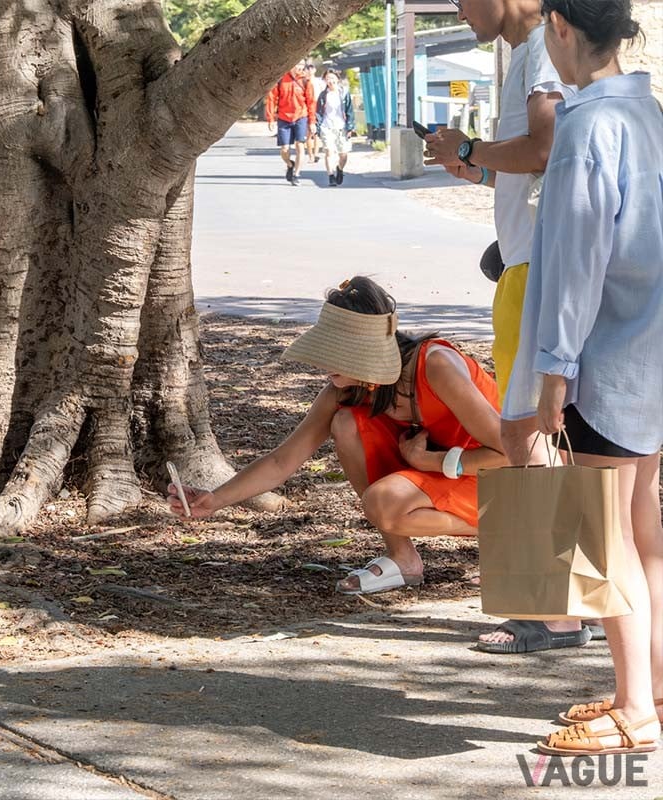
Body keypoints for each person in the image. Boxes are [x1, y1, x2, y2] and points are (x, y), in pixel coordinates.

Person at [500, 0, 662, 757]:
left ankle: (636, 707)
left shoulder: (586, 125)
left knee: (606, 537)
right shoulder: (649, 114)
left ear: (560, 26)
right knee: (641, 529)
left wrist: (553, 379)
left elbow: (572, 266)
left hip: (604, 356)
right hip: (650, 353)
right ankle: (650, 689)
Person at [167, 277, 508, 595]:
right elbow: (282, 461)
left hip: (496, 479)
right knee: (346, 423)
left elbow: (509, 453)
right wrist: (214, 501)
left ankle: (507, 528)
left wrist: (430, 460)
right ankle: (403, 558)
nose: (324, 363)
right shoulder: (346, 390)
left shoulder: (436, 365)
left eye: (336, 354)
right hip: (443, 471)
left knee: (382, 503)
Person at [424, 0, 581, 654]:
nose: (459, 7)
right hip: (528, 265)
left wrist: (467, 146)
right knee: (537, 437)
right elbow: (531, 161)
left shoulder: (543, 46)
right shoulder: (527, 52)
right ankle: (570, 605)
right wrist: (476, 166)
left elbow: (546, 149)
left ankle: (557, 615)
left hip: (535, 269)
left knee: (526, 436)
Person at [265, 63, 317, 187]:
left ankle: (297, 175)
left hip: (301, 117)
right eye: (297, 64)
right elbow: (272, 98)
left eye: (301, 65)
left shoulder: (305, 81)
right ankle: (290, 164)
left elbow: (311, 102)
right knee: (284, 149)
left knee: (300, 145)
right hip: (284, 117)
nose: (299, 67)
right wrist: (271, 118)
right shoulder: (281, 79)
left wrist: (312, 121)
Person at [315, 69, 355, 187]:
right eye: (327, 79)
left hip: (341, 127)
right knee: (329, 151)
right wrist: (317, 127)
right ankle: (331, 176)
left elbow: (350, 111)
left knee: (343, 154)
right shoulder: (323, 95)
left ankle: (340, 169)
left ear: (337, 79)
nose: (330, 81)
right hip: (327, 126)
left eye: (332, 78)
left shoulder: (344, 93)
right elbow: (318, 113)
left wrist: (350, 127)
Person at [303, 63, 326, 165]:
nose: (309, 70)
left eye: (311, 68)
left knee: (317, 133)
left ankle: (316, 154)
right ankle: (310, 155)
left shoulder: (319, 82)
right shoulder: (304, 81)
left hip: (318, 107)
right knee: (308, 134)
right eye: (307, 69)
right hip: (307, 107)